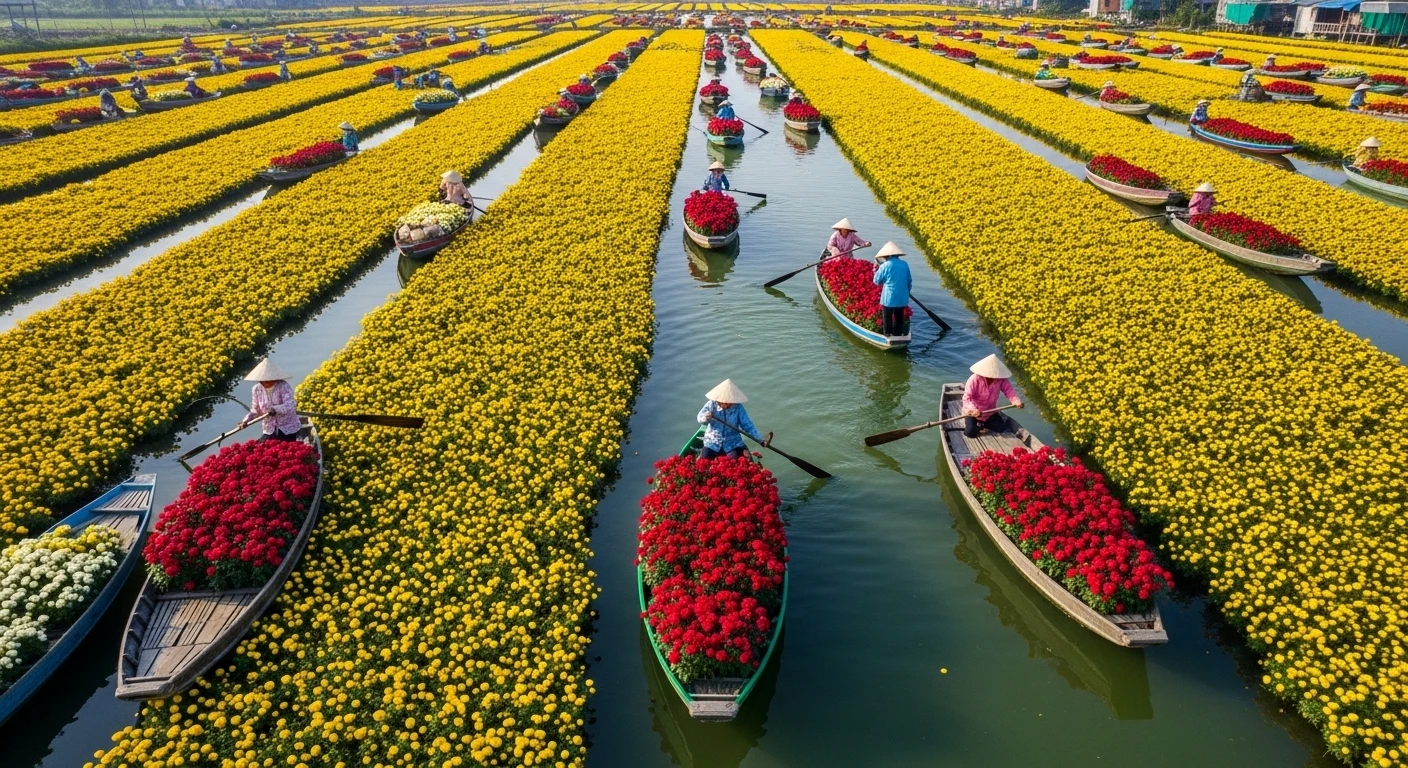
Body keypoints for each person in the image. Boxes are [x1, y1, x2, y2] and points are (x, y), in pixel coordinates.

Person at [696, 379, 771, 460]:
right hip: (712, 442)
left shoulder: (738, 408)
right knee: (704, 461)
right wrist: (706, 417)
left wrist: (760, 440)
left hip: (732, 443)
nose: (726, 405)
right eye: (723, 402)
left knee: (741, 462)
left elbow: (748, 425)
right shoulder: (711, 404)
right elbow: (700, 418)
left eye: (729, 403)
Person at [237, 358, 302, 442]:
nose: (266, 382)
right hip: (269, 428)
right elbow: (255, 410)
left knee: (286, 447)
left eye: (269, 379)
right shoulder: (256, 389)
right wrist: (246, 421)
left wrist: (275, 409)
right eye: (263, 380)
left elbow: (290, 405)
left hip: (287, 427)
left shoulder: (283, 386)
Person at [960, 354, 1024, 438]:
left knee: (1001, 428)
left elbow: (1009, 391)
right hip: (974, 413)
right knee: (970, 433)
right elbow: (967, 398)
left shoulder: (1001, 379)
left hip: (989, 412)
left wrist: (1016, 401)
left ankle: (982, 425)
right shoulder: (974, 379)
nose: (993, 377)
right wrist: (973, 410)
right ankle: (979, 424)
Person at [872, 241, 912, 338]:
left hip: (889, 297)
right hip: (902, 297)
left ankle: (887, 334)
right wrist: (906, 292)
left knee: (887, 317)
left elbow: (876, 281)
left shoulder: (885, 265)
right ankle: (898, 334)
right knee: (899, 317)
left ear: (887, 256)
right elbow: (909, 281)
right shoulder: (905, 264)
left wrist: (875, 270)